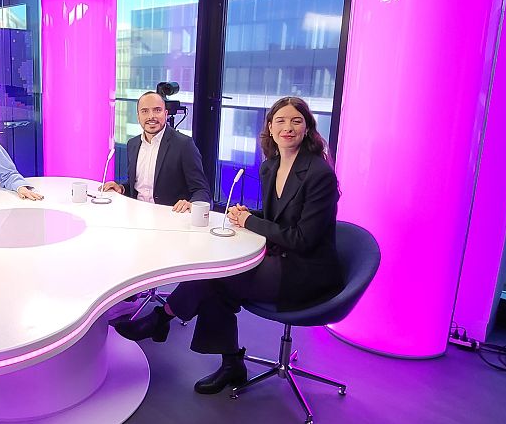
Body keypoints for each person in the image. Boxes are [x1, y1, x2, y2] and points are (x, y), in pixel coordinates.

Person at [111, 96, 342, 394]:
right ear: (270, 128)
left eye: (296, 121)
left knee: (215, 279)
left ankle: (166, 321)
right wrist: (248, 214)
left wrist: (250, 221)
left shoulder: (319, 174)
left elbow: (302, 239)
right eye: (280, 121)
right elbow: (279, 216)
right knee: (214, 277)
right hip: (279, 257)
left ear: (307, 128)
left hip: (305, 271)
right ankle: (225, 359)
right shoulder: (271, 166)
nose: (288, 127)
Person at [100, 91, 209, 212]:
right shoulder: (132, 144)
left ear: (166, 114)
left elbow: (201, 190)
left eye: (157, 110)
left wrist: (191, 204)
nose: (151, 116)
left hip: (169, 216)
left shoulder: (184, 145)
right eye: (145, 111)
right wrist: (121, 188)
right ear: (138, 116)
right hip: (135, 213)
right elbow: (136, 185)